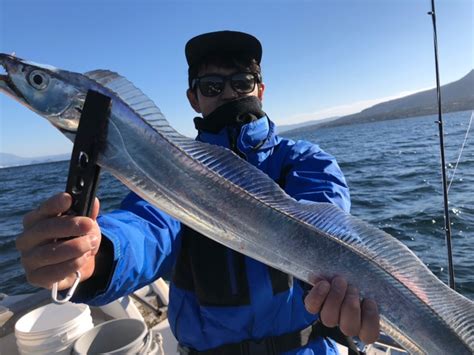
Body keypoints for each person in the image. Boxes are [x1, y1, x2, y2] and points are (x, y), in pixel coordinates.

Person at [16, 31, 380, 354]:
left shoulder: (303, 161)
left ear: (261, 90)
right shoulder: (174, 177)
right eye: (212, 87)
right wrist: (95, 256)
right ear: (194, 98)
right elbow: (147, 226)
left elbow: (325, 226)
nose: (229, 94)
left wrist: (340, 289)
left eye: (242, 82)